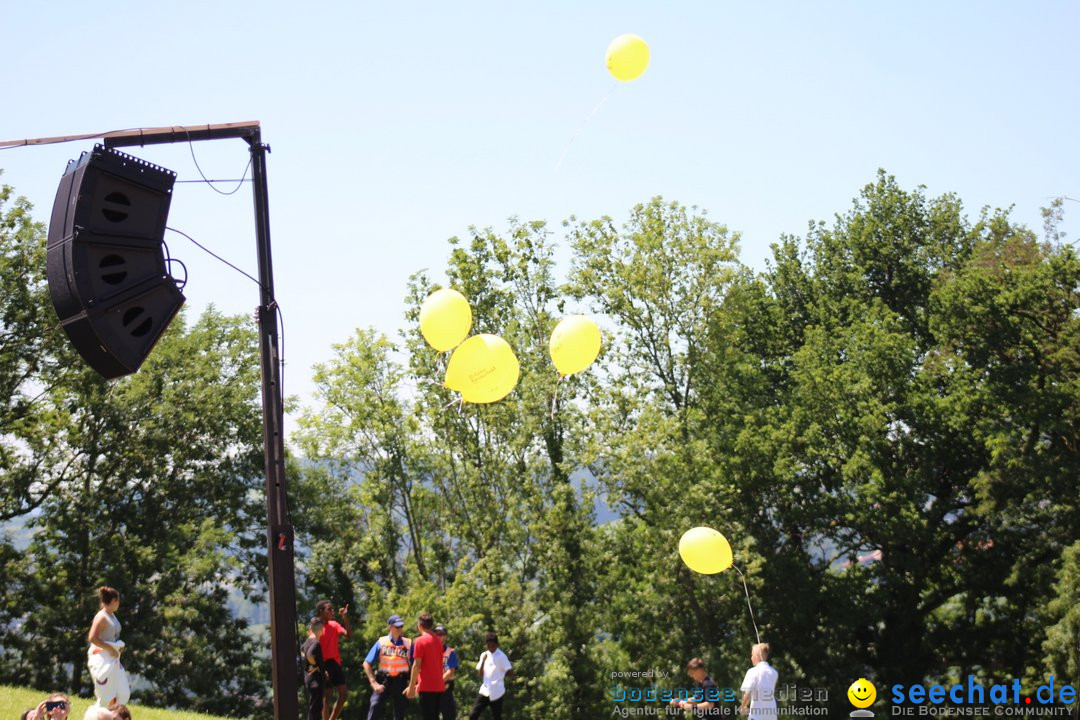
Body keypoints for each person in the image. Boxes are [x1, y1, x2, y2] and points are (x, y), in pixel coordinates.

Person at [87, 586, 130, 709]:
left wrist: (117, 647)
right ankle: (97, 715)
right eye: (118, 601)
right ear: (113, 601)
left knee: (123, 693)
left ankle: (113, 715)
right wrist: (109, 649)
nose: (119, 604)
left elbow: (112, 637)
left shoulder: (112, 616)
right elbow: (92, 638)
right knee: (106, 696)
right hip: (102, 658)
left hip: (113, 658)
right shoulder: (101, 617)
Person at [363, 614, 412, 720]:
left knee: (400, 713)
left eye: (401, 626)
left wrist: (413, 685)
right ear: (390, 627)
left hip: (401, 681)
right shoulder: (381, 642)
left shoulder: (408, 643)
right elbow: (366, 663)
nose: (399, 629)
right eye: (397, 626)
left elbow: (416, 665)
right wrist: (373, 682)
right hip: (384, 681)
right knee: (375, 705)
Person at [315, 600, 352, 720]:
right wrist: (319, 667)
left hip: (335, 662)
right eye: (329, 609)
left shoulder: (334, 624)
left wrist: (345, 618)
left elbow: (349, 636)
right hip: (323, 663)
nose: (332, 611)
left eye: (332, 609)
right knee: (326, 695)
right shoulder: (316, 626)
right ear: (321, 611)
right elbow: (313, 647)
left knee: (343, 694)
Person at [405, 612, 445, 720]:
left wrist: (411, 687)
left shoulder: (419, 641)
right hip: (439, 686)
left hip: (427, 687)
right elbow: (434, 665)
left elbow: (416, 665)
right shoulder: (438, 641)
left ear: (419, 625)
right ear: (431, 626)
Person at [469, 632, 513, 720]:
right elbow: (481, 674)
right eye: (489, 646)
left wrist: (507, 674)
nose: (491, 648)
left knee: (497, 716)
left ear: (497, 645)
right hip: (485, 690)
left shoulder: (501, 656)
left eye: (493, 646)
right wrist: (483, 662)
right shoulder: (484, 655)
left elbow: (509, 670)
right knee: (473, 715)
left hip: (497, 691)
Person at [739, 643, 778, 719]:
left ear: (757, 656)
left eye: (752, 655)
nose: (751, 658)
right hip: (772, 716)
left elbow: (747, 695)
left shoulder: (752, 672)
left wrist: (742, 707)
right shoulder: (774, 672)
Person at [303, 617, 331, 720]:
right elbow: (310, 655)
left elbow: (303, 651)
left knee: (313, 708)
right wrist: (316, 666)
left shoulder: (307, 641)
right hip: (316, 680)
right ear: (321, 629)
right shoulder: (316, 642)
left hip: (309, 678)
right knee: (316, 709)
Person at [434, 625, 459, 720]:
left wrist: (439, 682)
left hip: (446, 688)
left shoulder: (450, 652)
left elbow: (451, 671)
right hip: (432, 690)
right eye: (436, 634)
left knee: (449, 716)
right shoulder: (429, 651)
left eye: (441, 634)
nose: (438, 636)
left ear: (446, 637)